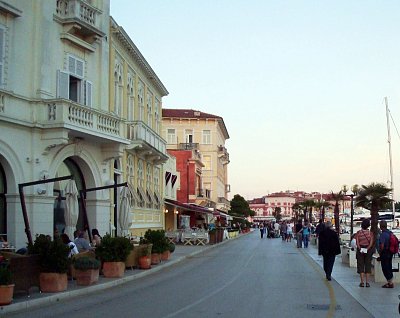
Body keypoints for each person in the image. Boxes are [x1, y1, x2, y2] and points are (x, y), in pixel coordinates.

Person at [355, 219, 374, 287]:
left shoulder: (358, 232)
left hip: (360, 250)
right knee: (368, 264)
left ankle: (362, 282)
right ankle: (367, 282)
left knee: (361, 265)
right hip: (368, 250)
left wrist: (360, 249)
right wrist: (367, 248)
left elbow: (357, 242)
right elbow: (371, 242)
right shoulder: (370, 233)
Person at [378, 220, 394, 288]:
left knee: (385, 267)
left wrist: (380, 252)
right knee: (389, 266)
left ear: (381, 226)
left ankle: (390, 282)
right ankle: (390, 282)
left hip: (385, 252)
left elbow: (382, 245)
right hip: (390, 252)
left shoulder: (383, 234)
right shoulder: (390, 233)